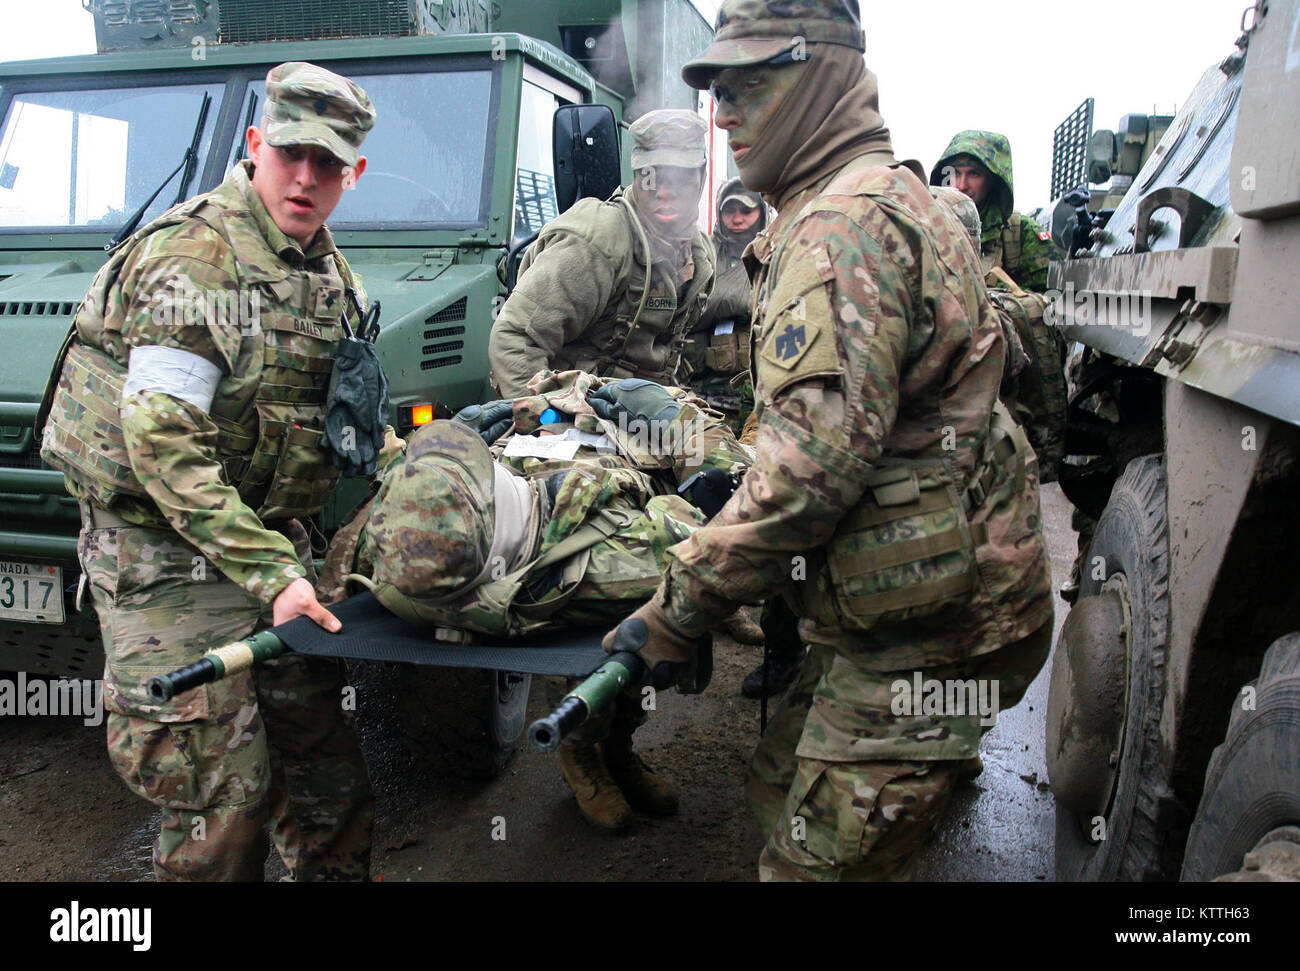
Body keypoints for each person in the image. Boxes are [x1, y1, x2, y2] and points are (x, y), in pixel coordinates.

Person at [602, 0, 1055, 881]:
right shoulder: (882, 195)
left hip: (942, 631)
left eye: (747, 85)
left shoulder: (839, 228)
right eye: (714, 90)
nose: (721, 113)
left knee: (808, 865)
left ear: (821, 78)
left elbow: (809, 470)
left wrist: (674, 611)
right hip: (917, 602)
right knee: (776, 787)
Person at [39, 62, 389, 881]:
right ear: (256, 143)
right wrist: (275, 573)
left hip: (264, 543)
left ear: (354, 173)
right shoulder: (195, 259)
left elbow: (353, 425)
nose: (307, 177)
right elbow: (164, 445)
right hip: (163, 555)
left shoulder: (327, 276)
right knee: (222, 805)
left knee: (330, 789)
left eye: (329, 163)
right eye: (292, 153)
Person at [319, 371, 755, 833]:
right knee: (628, 650)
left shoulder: (392, 557)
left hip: (532, 458)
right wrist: (676, 421)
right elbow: (711, 514)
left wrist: (453, 438)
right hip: (592, 516)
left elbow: (400, 484)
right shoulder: (619, 562)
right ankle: (588, 753)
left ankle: (613, 751)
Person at [488, 110, 714, 397]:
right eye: (651, 176)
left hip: (648, 412)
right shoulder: (598, 241)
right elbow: (516, 339)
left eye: (681, 177)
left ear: (702, 177)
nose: (665, 191)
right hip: (580, 414)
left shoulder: (700, 254)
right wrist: (548, 423)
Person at [682, 177, 768, 433]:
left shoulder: (773, 254)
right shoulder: (701, 254)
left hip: (758, 394)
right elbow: (683, 310)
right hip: (702, 394)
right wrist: (740, 302)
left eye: (746, 211)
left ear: (761, 213)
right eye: (729, 211)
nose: (737, 219)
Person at [930, 130, 1061, 293]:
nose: (962, 185)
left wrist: (1004, 304)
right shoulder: (928, 228)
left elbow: (1058, 298)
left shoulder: (1020, 233)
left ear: (993, 179)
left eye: (974, 174)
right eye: (955, 173)